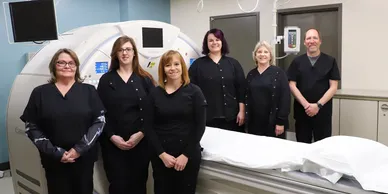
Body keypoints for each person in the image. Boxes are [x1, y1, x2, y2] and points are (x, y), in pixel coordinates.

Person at [20, 48, 106, 194]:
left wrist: (79, 149)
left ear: (76, 67)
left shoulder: (89, 91)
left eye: (71, 63)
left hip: (83, 159)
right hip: (54, 160)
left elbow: (99, 121)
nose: (67, 66)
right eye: (62, 63)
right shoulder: (40, 93)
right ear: (54, 66)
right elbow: (31, 127)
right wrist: (55, 152)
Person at [97, 35, 156, 194]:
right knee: (118, 185)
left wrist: (142, 133)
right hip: (113, 145)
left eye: (128, 49)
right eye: (120, 50)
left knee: (138, 185)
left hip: (140, 143)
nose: (125, 53)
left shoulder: (145, 79)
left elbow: (153, 112)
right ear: (115, 54)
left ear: (134, 53)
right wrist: (111, 136)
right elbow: (100, 113)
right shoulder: (106, 80)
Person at [145, 50, 207, 194]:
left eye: (176, 64)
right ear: (163, 69)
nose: (172, 68)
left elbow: (200, 127)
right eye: (168, 65)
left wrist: (186, 155)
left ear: (182, 67)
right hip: (161, 156)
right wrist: (162, 154)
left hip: (187, 155)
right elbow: (148, 127)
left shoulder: (194, 92)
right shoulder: (155, 94)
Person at [287, 28, 341, 143]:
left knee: (322, 147)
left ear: (320, 41)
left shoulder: (330, 61)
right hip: (302, 111)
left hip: (322, 111)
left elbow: (333, 86)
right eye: (308, 38)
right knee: (302, 145)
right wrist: (306, 105)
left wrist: (318, 105)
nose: (312, 41)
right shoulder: (297, 62)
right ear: (304, 42)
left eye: (315, 38)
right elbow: (292, 85)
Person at [188, 28, 246, 132]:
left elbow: (241, 90)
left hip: (232, 118)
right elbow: (191, 92)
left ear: (222, 42)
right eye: (211, 40)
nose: (214, 42)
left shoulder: (233, 64)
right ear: (206, 44)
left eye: (217, 39)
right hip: (208, 117)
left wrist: (242, 111)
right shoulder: (197, 65)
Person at [245, 41, 290, 138]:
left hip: (274, 123)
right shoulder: (251, 75)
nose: (262, 54)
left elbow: (285, 99)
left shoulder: (279, 73)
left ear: (270, 56)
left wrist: (281, 121)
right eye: (259, 52)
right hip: (254, 123)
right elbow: (247, 97)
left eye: (266, 52)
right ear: (255, 55)